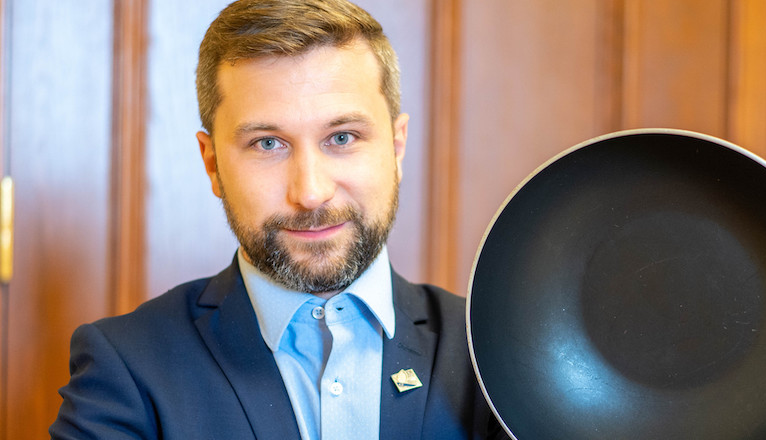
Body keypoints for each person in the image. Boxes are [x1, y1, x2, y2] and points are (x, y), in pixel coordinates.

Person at [50, 0, 504, 438]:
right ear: (212, 164)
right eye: (268, 144)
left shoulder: (492, 352)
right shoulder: (125, 368)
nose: (309, 192)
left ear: (397, 146)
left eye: (342, 137)